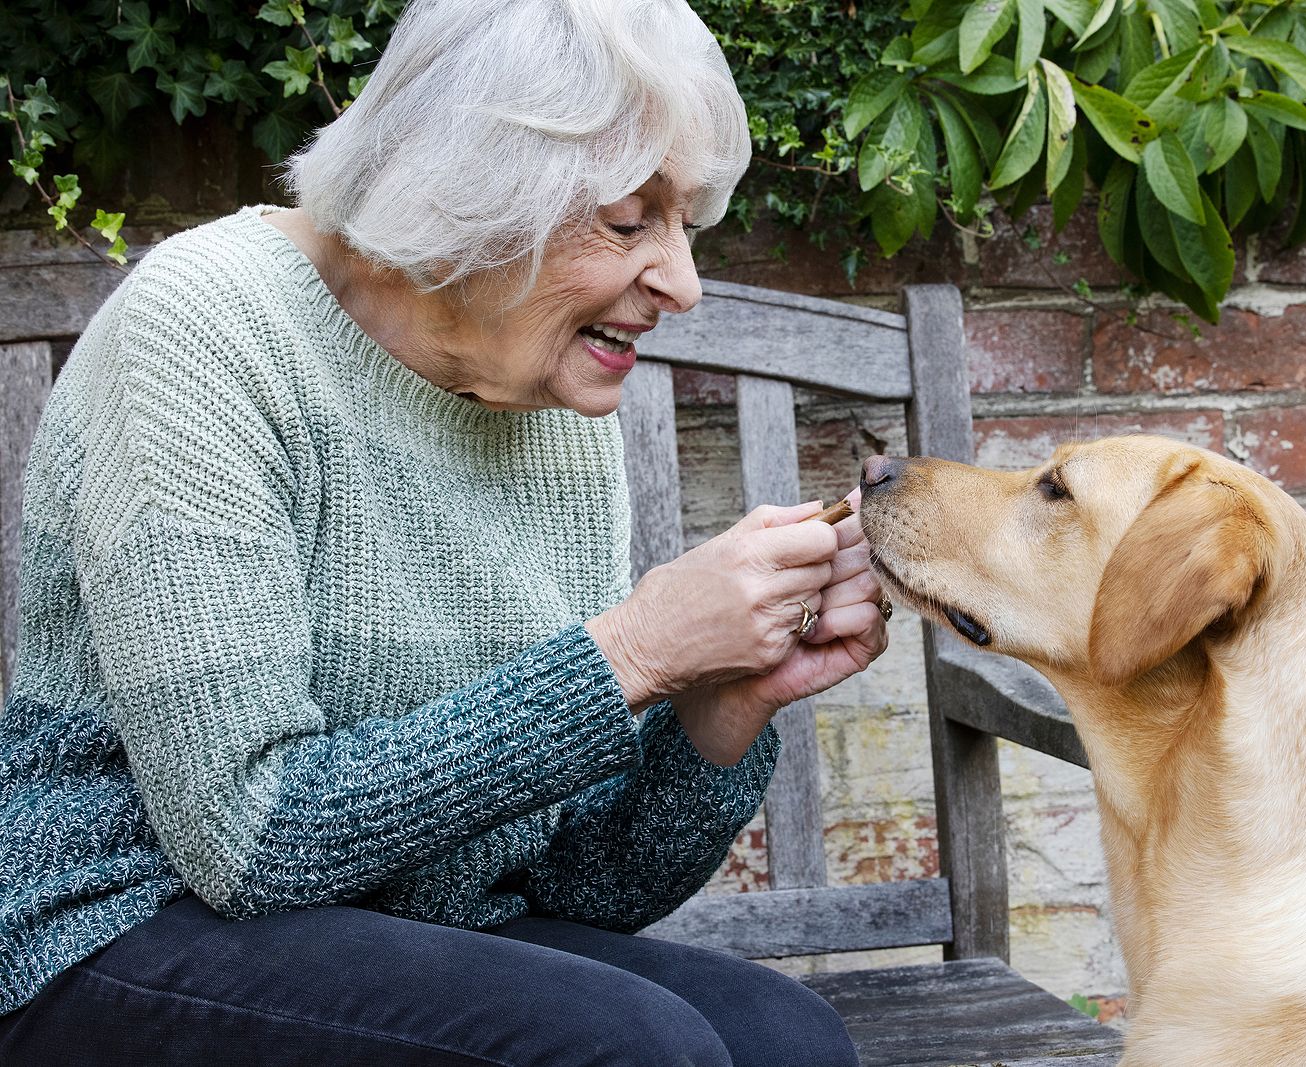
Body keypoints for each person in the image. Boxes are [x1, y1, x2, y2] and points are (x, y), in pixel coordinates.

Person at [0, 1, 887, 1063]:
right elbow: (253, 841)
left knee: (785, 1037)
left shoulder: (551, 390)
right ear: (476, 190)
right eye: (625, 221)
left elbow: (580, 887)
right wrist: (636, 651)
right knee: (628, 1046)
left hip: (399, 922)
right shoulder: (203, 331)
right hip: (113, 923)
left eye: (685, 223)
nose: (683, 283)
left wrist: (720, 702)